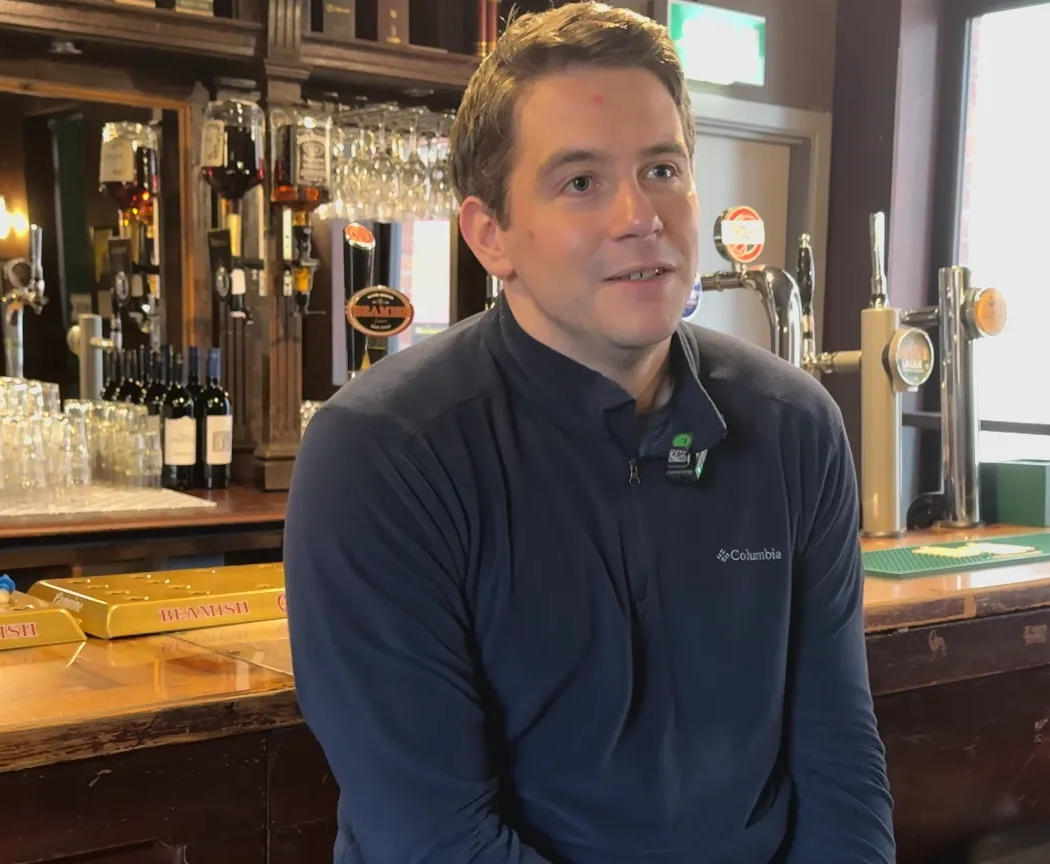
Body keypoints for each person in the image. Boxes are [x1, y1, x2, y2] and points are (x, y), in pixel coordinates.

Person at [283, 3, 896, 862]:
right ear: (490, 235)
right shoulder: (383, 453)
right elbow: (432, 837)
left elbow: (840, 762)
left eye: (662, 169)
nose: (639, 215)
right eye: (581, 182)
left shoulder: (794, 426)